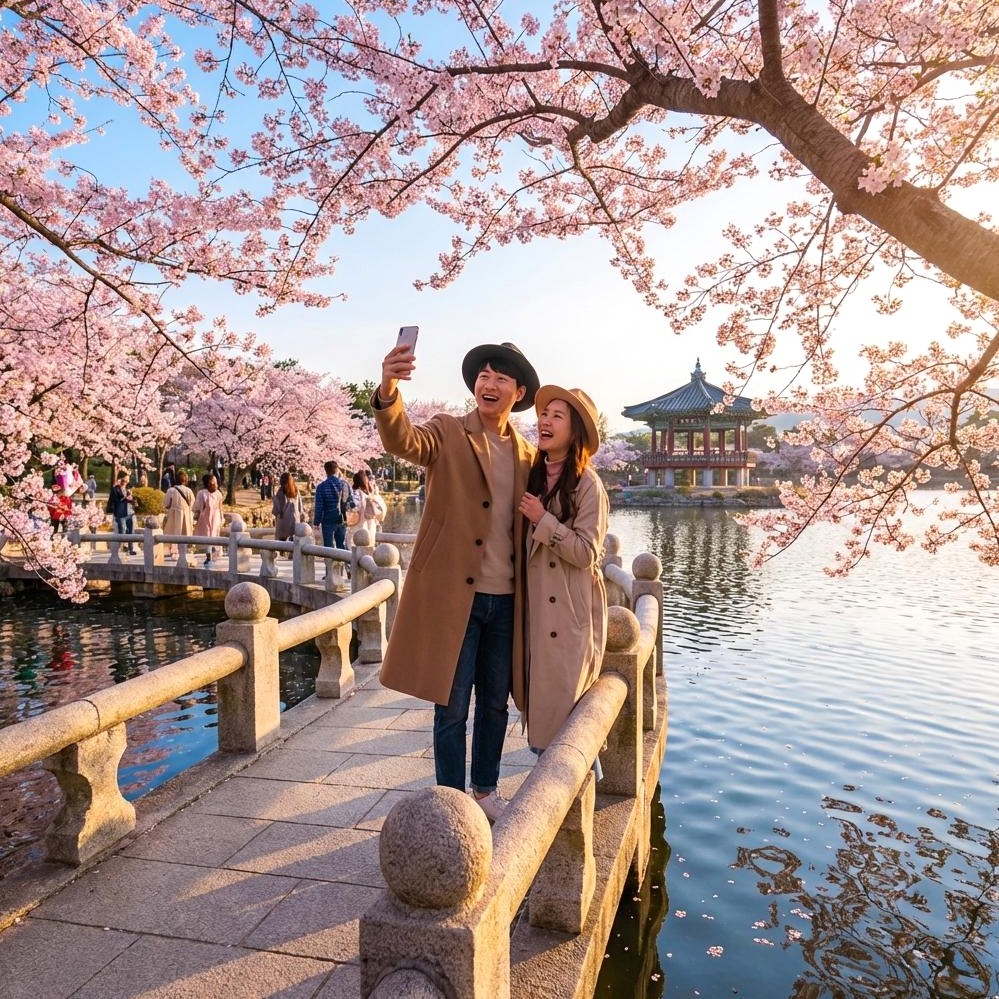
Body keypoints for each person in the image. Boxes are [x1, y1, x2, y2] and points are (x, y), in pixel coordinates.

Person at [372, 338, 539, 821]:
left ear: (518, 393)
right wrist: (388, 388)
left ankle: (485, 791)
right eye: (484, 376)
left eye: (501, 378)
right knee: (451, 705)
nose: (490, 384)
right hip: (455, 597)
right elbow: (404, 440)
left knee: (495, 703)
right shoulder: (448, 431)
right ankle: (449, 799)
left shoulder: (527, 455)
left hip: (506, 599)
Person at [517, 386, 609, 762]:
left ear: (575, 432)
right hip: (537, 612)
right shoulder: (532, 476)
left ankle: (575, 790)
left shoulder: (588, 485)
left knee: (566, 725)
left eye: (557, 416)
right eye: (544, 414)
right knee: (545, 719)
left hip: (569, 615)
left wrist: (543, 520)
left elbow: (587, 553)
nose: (545, 421)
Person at [312, 459, 355, 550]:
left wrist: (316, 522)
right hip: (342, 518)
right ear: (337, 470)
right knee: (341, 545)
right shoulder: (345, 484)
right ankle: (343, 559)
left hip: (327, 519)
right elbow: (352, 503)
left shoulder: (321, 487)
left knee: (328, 547)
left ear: (326, 471)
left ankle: (330, 560)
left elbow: (319, 507)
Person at [192, 473, 224, 567]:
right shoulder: (202, 493)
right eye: (214, 482)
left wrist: (222, 518)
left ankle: (214, 555)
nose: (216, 484)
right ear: (209, 483)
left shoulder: (218, 494)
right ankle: (209, 556)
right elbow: (197, 506)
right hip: (205, 517)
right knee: (207, 536)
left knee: (214, 535)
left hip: (215, 517)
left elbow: (220, 507)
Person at [161, 469, 195, 558]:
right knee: (185, 532)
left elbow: (166, 504)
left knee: (173, 532)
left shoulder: (171, 490)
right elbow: (192, 503)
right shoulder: (189, 490)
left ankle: (173, 551)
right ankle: (183, 551)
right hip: (186, 514)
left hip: (174, 514)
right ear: (186, 480)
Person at [348, 469, 385, 545]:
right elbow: (382, 510)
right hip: (371, 528)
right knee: (370, 547)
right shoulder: (372, 495)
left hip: (358, 529)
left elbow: (353, 508)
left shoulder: (356, 494)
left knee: (354, 548)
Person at [272, 471, 305, 543]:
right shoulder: (296, 491)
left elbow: (276, 511)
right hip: (295, 522)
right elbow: (300, 508)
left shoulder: (281, 493)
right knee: (294, 545)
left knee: (282, 545)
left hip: (283, 524)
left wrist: (274, 497)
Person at [111, 471, 137, 554]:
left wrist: (132, 500)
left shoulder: (128, 489)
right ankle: (122, 548)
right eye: (126, 478)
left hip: (130, 512)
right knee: (122, 529)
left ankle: (130, 549)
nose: (127, 479)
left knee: (131, 531)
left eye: (127, 478)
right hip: (121, 512)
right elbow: (117, 500)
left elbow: (130, 500)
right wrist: (126, 497)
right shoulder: (116, 489)